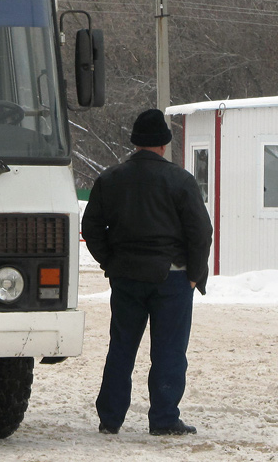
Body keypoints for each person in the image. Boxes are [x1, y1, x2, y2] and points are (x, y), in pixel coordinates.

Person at [81, 108, 213, 437]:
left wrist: (109, 261)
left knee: (122, 347)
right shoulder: (180, 180)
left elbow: (91, 227)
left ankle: (110, 418)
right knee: (168, 351)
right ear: (165, 144)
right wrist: (195, 274)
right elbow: (201, 231)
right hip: (171, 278)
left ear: (135, 142)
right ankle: (164, 419)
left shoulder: (110, 178)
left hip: (126, 276)